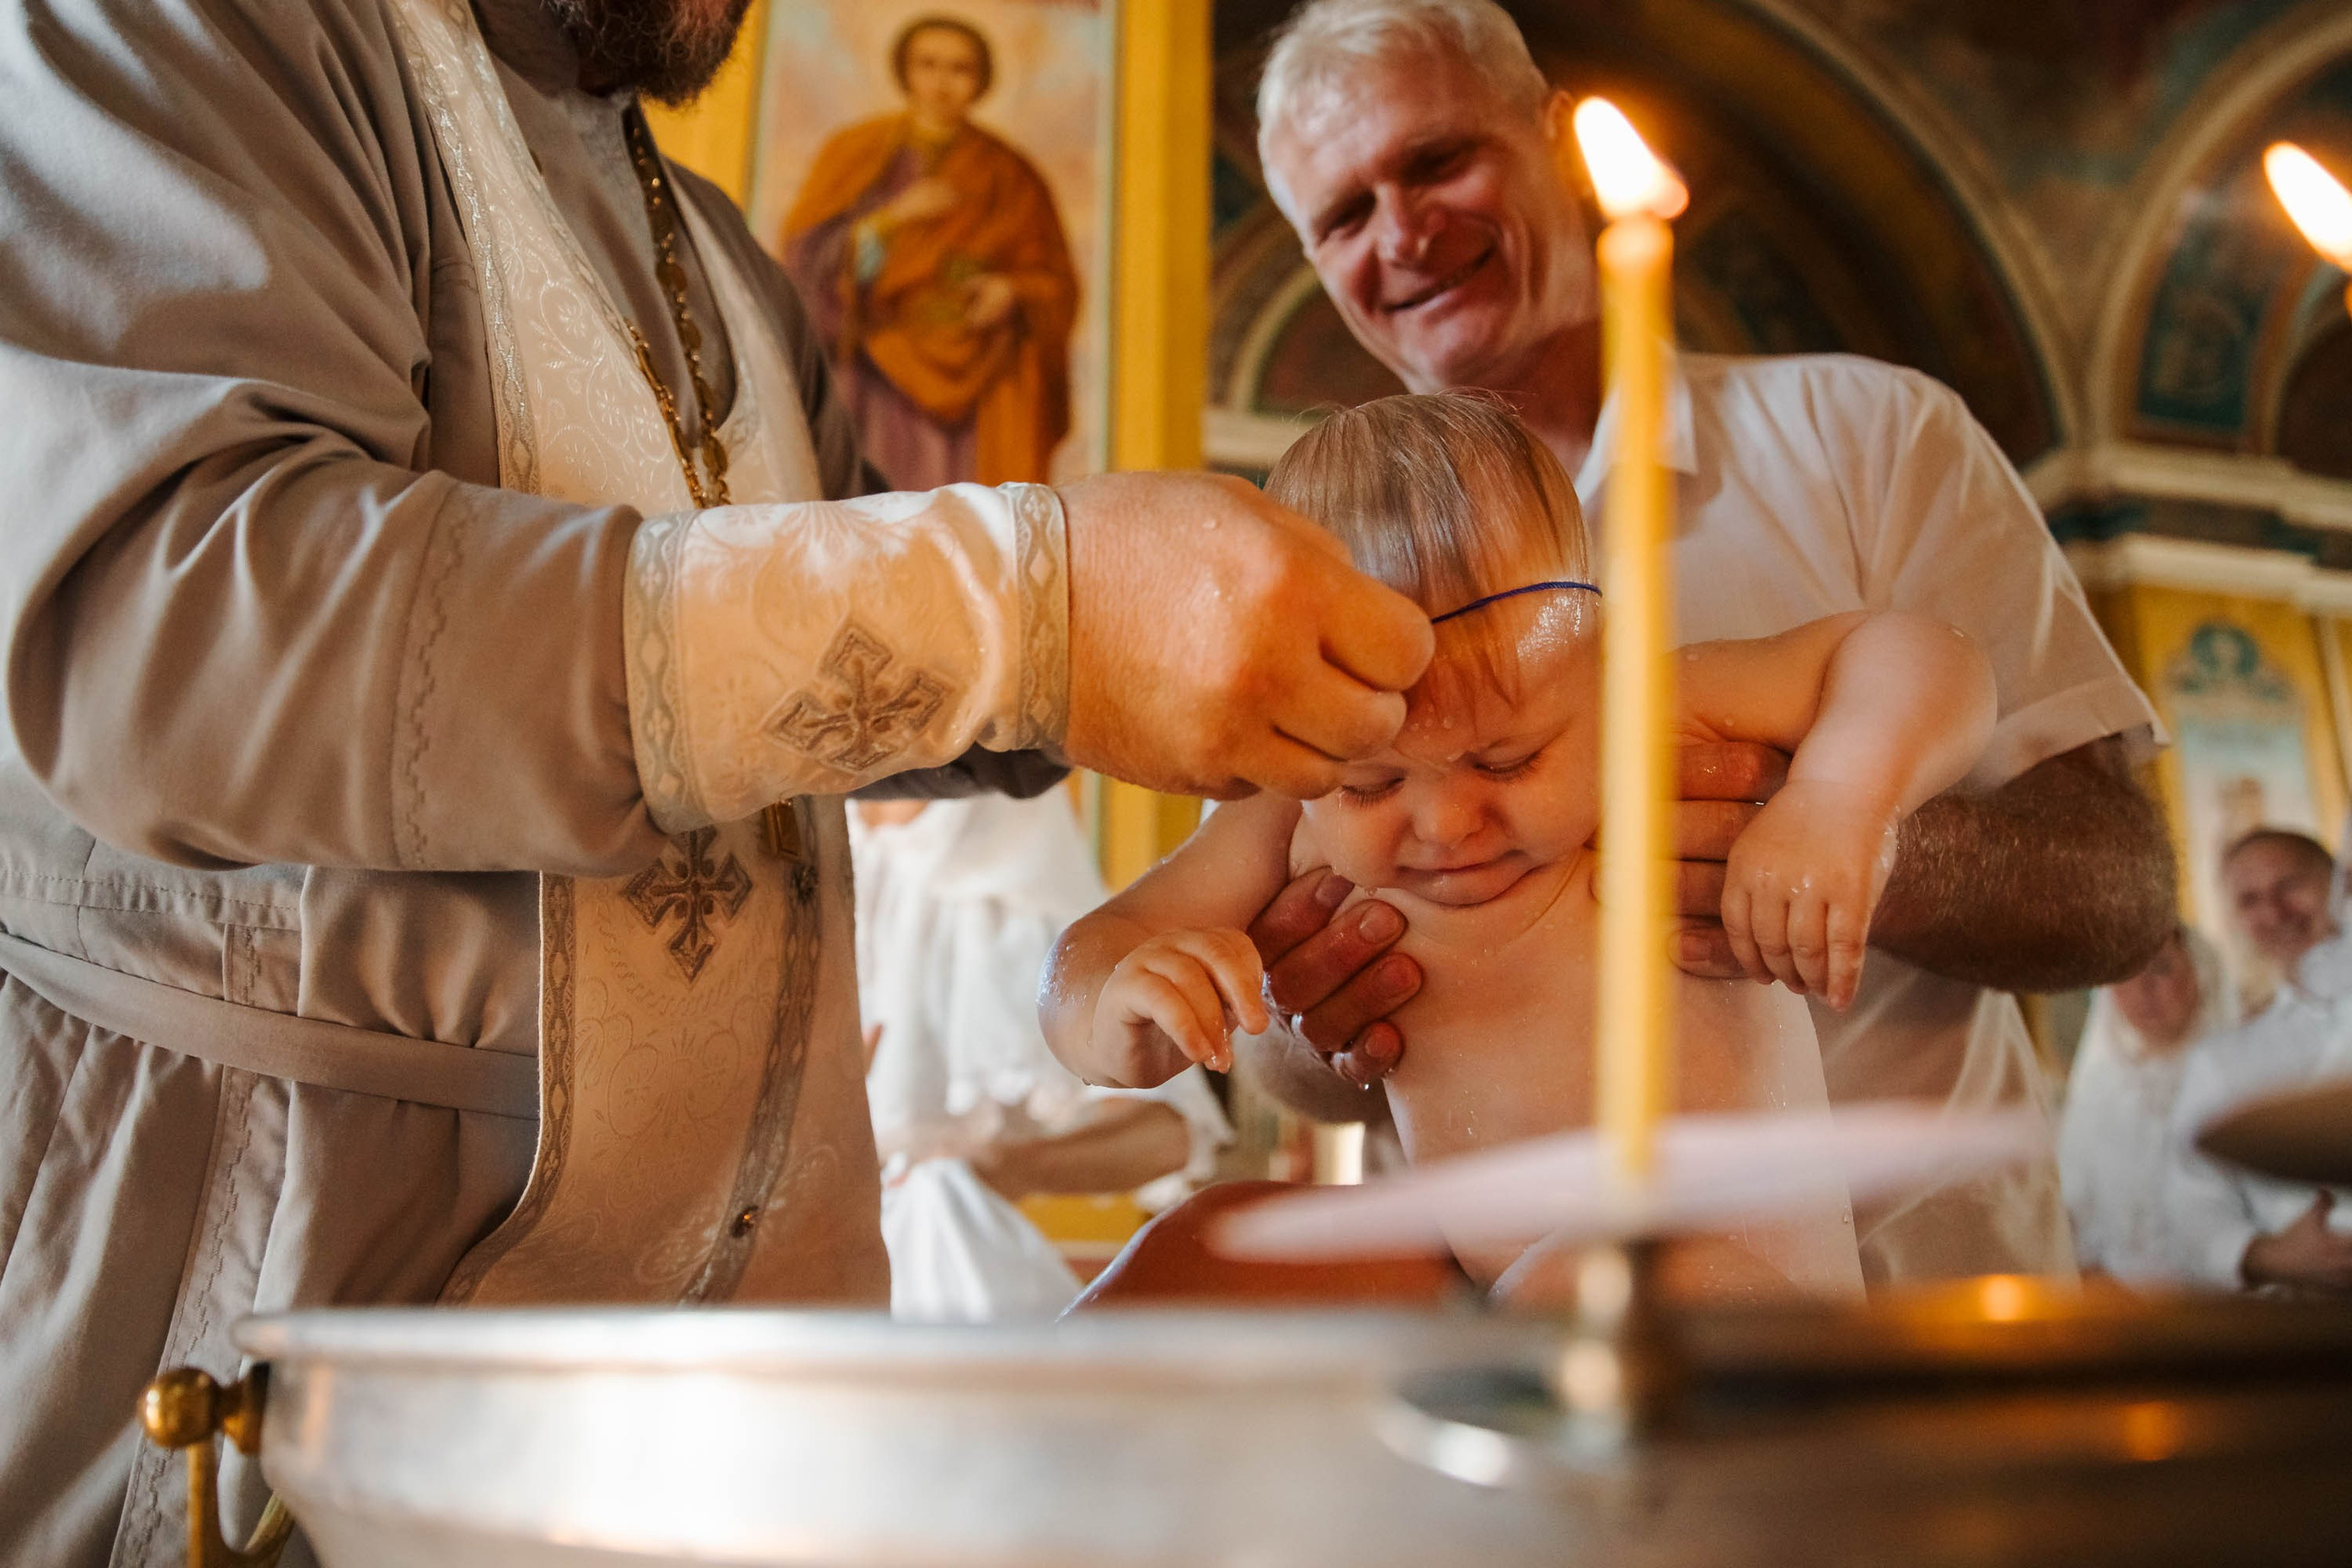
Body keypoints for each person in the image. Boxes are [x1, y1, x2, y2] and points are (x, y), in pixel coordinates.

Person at [0, 0, 1435, 1557]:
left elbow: (867, 642)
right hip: (281, 1327)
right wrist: (1034, 609)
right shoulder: (179, 32)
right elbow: (182, 633)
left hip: (727, 1414)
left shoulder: (723, 256)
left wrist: (1221, 618)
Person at [1230, 0, 2175, 1285]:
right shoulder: (1307, 585)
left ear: (1554, 139)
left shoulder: (1872, 436)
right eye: (1342, 216)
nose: (1402, 233)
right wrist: (1311, 1012)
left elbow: (2119, 886)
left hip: (1924, 1296)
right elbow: (1282, 1011)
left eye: (1439, 160)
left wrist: (1850, 841)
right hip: (1534, 1325)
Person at [1045, 392, 1999, 1302]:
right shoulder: (1288, 807)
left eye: (1508, 760)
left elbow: (1924, 657)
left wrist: (1837, 800)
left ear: (1597, 661)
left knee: (1579, 1282)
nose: (1447, 823)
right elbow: (1087, 957)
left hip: (1745, 1302)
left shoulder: (1646, 714)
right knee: (1210, 1248)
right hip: (1511, 1314)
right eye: (1372, 783)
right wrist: (1119, 1017)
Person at [852, 792, 1229, 1321]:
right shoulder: (809, 879)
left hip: (948, 1286)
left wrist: (1003, 1167)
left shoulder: (1030, 912)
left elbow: (1170, 1133)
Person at [782, 15, 1077, 487]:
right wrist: (890, 220)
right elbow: (806, 261)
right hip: (877, 370)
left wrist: (1010, 290)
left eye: (960, 69)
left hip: (977, 386)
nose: (942, 83)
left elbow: (1054, 283)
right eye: (929, 65)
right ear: (905, 71)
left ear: (981, 81)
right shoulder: (856, 153)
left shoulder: (1012, 175)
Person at [2165, 829, 2352, 1294]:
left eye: (2289, 885)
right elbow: (2189, 1201)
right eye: (2249, 900)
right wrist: (2268, 1256)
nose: (2273, 912)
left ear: (2337, 884)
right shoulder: (2223, 1059)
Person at [2056, 926, 2238, 1285]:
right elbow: (2072, 1222)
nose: (2143, 990)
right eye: (2124, 975)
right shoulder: (2096, 1094)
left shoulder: (2240, 1082)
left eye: (2162, 968)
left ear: (2200, 973)